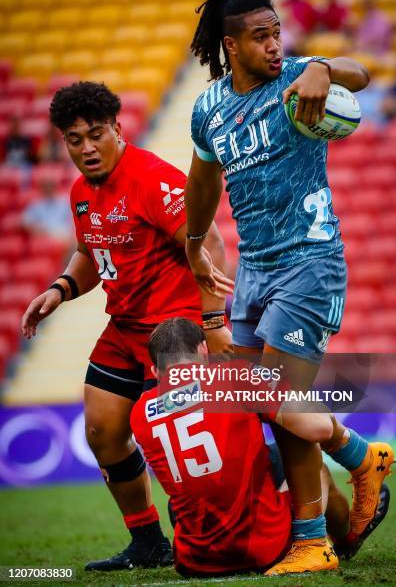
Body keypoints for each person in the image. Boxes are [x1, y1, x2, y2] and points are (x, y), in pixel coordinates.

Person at [184, 0, 394, 574]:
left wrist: (326, 68)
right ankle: (321, 535)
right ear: (230, 46)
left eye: (277, 31)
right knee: (259, 401)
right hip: (253, 268)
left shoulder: (300, 74)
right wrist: (194, 242)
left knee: (276, 396)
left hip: (310, 261)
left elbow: (362, 74)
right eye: (259, 35)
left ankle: (348, 478)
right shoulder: (209, 108)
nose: (275, 44)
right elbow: (203, 180)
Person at [21, 81, 233, 572]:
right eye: (75, 140)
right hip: (125, 326)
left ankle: (217, 536)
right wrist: (58, 290)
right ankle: (147, 543)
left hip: (175, 330)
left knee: (194, 444)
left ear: (118, 128)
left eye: (96, 134)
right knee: (102, 430)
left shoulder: (153, 179)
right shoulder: (80, 192)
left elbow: (210, 247)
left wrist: (213, 322)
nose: (87, 148)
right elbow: (92, 255)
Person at [131, 318, 390, 577]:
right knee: (314, 468)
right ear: (203, 350)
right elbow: (319, 428)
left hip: (195, 561)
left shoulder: (140, 412)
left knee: (185, 498)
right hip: (265, 549)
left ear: (155, 371)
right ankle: (346, 539)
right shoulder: (235, 377)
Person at [22, 176, 73, 252]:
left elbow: (73, 220)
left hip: (63, 234)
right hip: (43, 234)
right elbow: (25, 222)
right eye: (45, 187)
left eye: (50, 187)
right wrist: (39, 230)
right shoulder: (36, 205)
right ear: (41, 189)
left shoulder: (64, 202)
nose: (48, 189)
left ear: (55, 188)